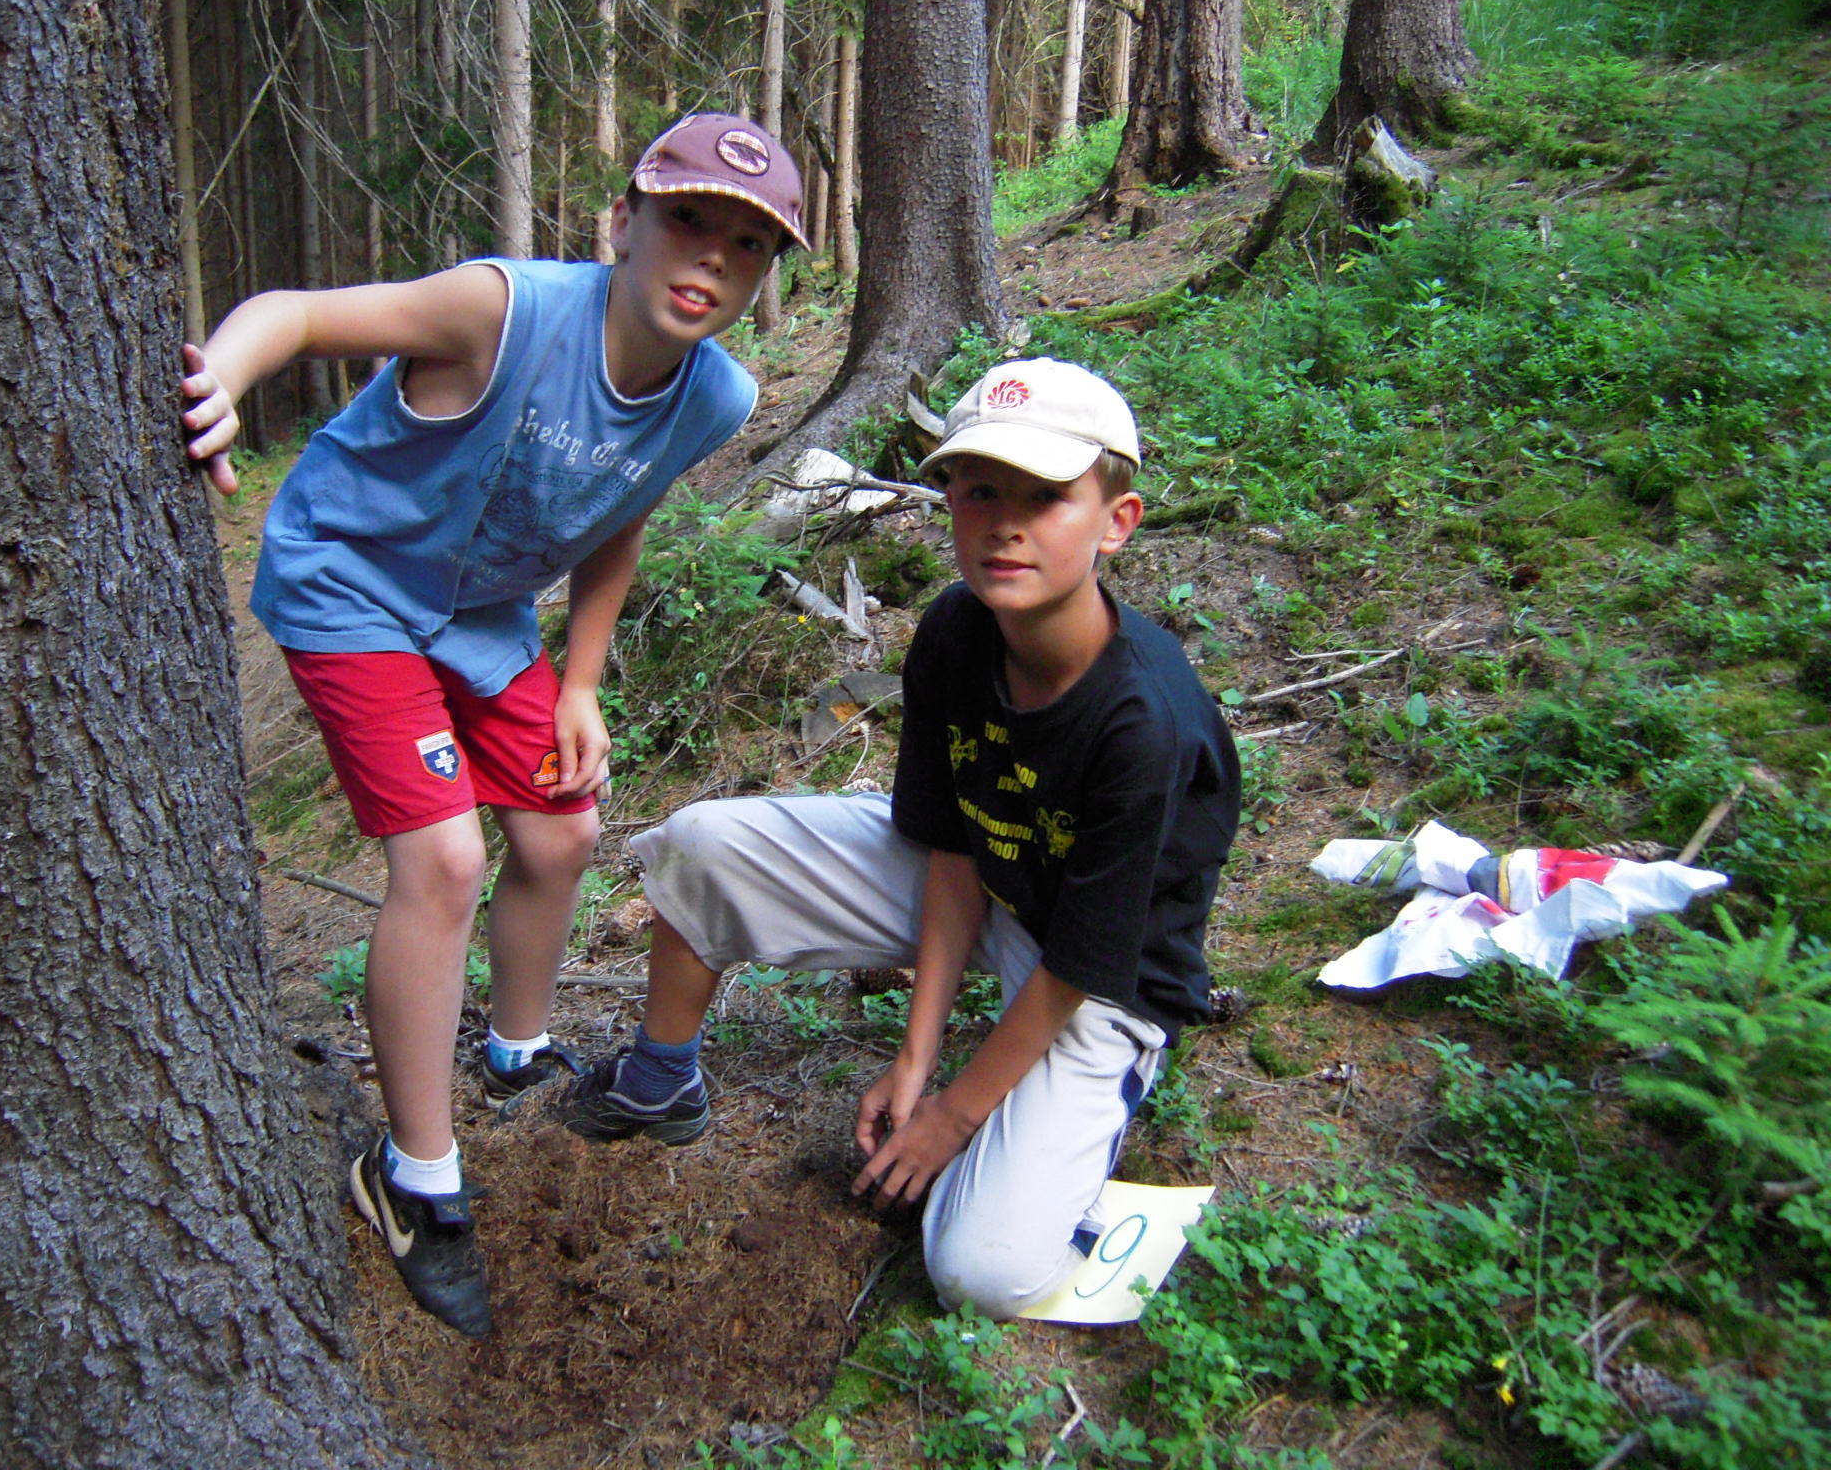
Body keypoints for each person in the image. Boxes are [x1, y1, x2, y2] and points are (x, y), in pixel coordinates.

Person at [179, 113, 808, 1336]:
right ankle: (414, 1176)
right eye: (686, 219)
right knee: (444, 860)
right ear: (620, 222)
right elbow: (295, 314)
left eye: (748, 245)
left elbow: (623, 509)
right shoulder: (501, 311)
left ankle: (515, 1048)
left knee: (562, 831)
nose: (712, 258)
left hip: (483, 617)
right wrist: (224, 380)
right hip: (352, 583)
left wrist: (580, 681)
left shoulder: (715, 395)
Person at [538, 357, 1241, 1318]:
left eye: (1046, 497)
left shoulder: (1141, 719)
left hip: (1104, 972)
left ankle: (1084, 1120)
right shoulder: (958, 630)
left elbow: (1083, 959)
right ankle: (659, 1080)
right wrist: (917, 1058)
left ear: (1116, 522)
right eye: (979, 490)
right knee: (702, 846)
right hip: (996, 880)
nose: (1005, 523)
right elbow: (952, 847)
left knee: (981, 1271)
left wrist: (954, 1114)